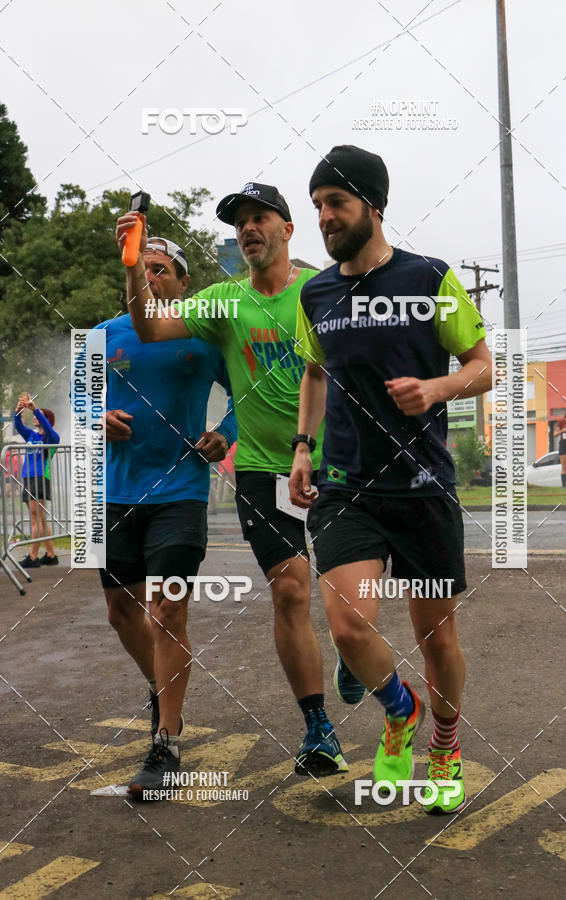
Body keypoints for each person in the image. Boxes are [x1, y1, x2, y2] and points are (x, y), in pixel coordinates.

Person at [289, 145, 493, 814]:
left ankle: (444, 743)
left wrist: (436, 387)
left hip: (424, 486)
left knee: (439, 639)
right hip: (347, 486)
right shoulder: (315, 293)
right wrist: (301, 447)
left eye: (336, 203)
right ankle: (398, 710)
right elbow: (315, 373)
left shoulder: (429, 277)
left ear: (372, 206)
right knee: (349, 627)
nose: (324, 216)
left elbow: (485, 366)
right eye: (317, 204)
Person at [119, 183, 347, 778]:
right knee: (292, 590)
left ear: (288, 229)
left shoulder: (323, 289)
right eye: (240, 222)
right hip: (264, 470)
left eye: (259, 218)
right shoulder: (222, 302)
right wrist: (132, 265)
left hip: (341, 462)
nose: (248, 228)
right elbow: (149, 326)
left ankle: (356, 647)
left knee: (350, 600)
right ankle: (317, 726)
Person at [98, 234, 237, 796]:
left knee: (167, 613)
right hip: (113, 492)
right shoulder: (104, 334)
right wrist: (97, 416)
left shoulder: (202, 336)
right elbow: (81, 399)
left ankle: (166, 741)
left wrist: (223, 435)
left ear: (183, 284)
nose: (151, 277)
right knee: (121, 612)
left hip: (180, 490)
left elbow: (246, 396)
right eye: (142, 267)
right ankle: (162, 690)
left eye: (162, 269)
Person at [13, 394, 60, 568]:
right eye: (34, 415)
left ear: (45, 419)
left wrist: (35, 409)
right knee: (40, 519)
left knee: (36, 519)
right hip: (29, 479)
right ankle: (50, 554)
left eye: (38, 415)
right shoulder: (32, 436)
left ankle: (33, 556)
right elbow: (18, 426)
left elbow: (49, 429)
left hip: (39, 478)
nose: (34, 417)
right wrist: (18, 411)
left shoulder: (51, 438)